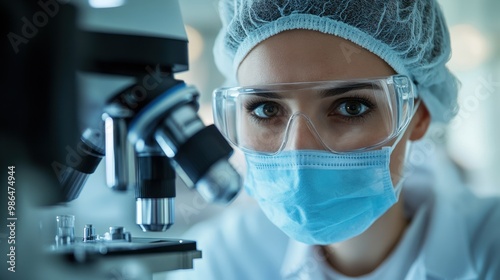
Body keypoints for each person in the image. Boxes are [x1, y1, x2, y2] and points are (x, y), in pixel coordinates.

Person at [168, 1, 500, 279]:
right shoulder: (221, 261)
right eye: (266, 109)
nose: (299, 149)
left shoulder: (490, 247)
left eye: (350, 107)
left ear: (419, 115)